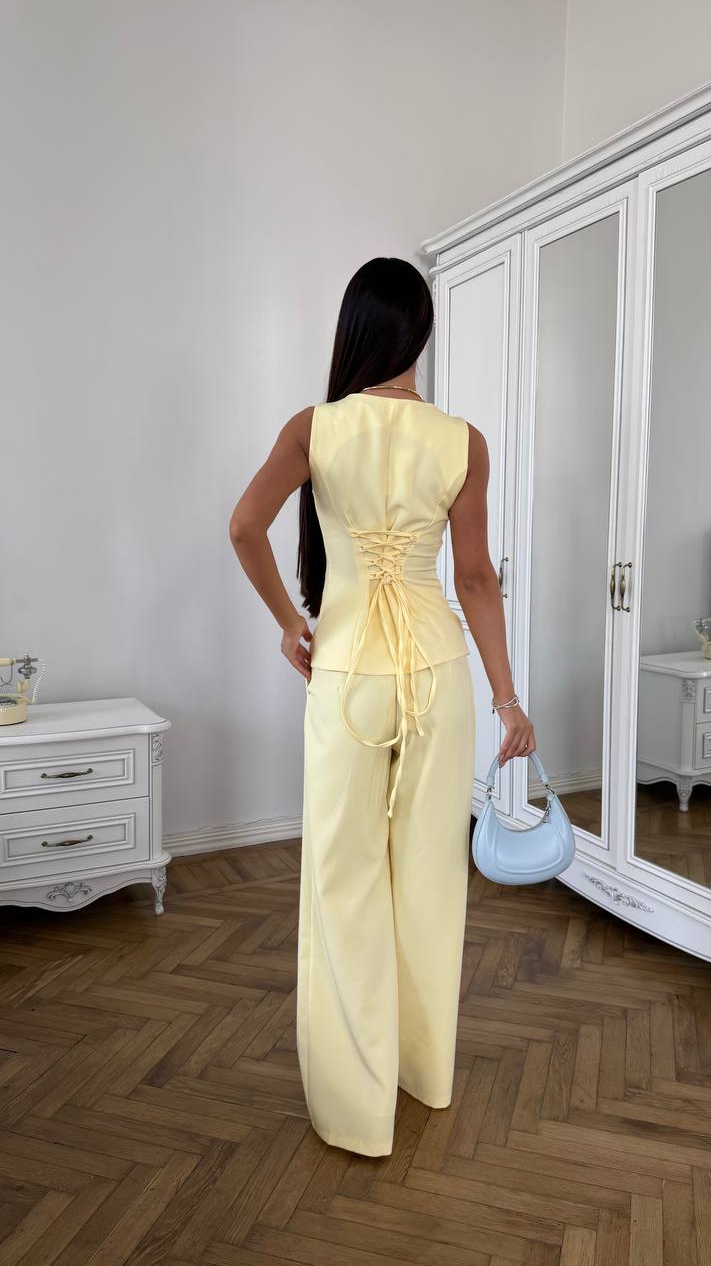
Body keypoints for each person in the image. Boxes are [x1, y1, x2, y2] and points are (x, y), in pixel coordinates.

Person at [229, 256, 535, 1156]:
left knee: (344, 877)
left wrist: (292, 624)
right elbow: (474, 579)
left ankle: (357, 1107)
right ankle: (424, 1076)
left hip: (350, 672)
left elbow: (245, 526)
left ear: (356, 329)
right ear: (422, 335)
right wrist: (508, 699)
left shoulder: (314, 428)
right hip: (440, 674)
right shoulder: (463, 440)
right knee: (431, 875)